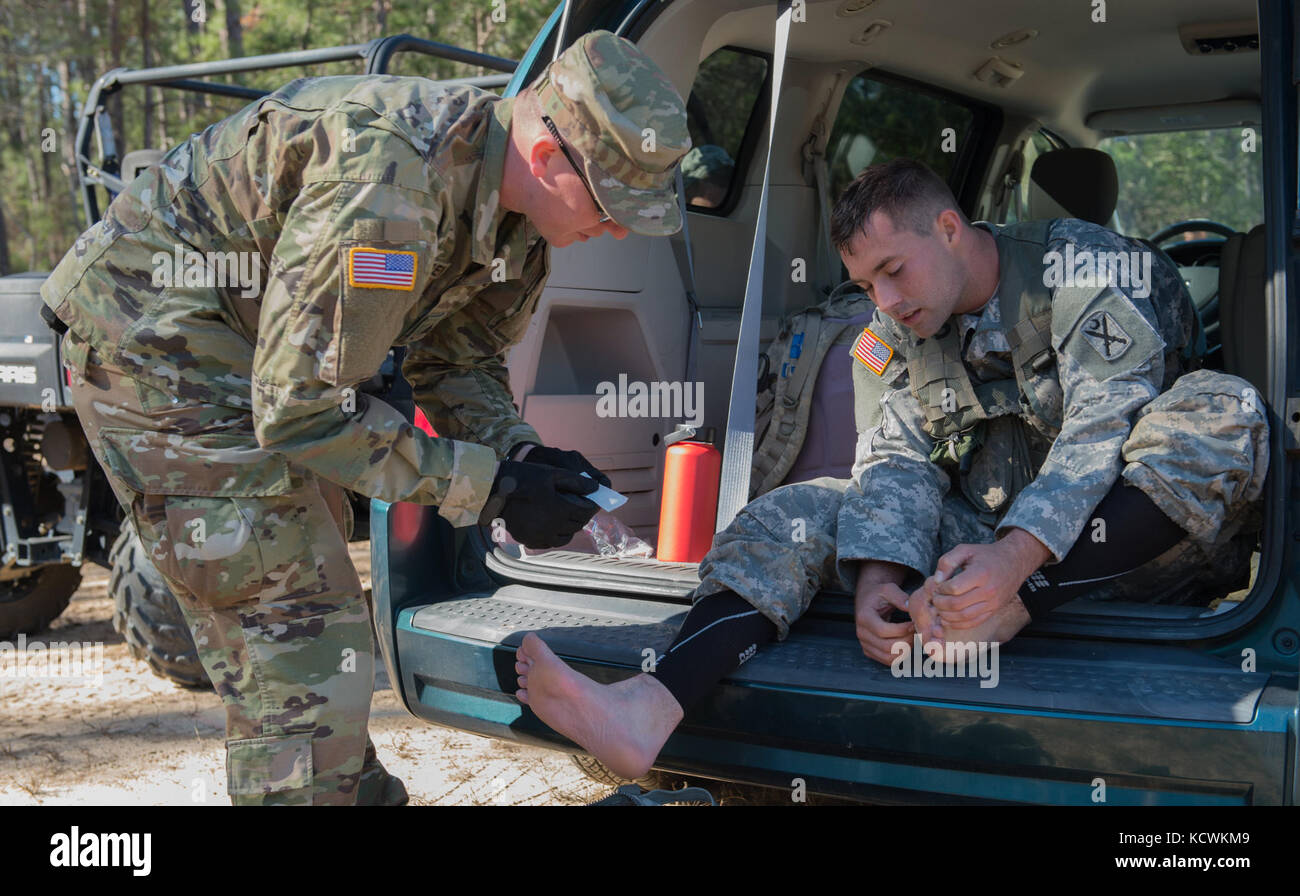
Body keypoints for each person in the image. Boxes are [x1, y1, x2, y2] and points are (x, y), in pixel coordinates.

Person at [41, 31, 690, 805]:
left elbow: (459, 362)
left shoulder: (522, 223)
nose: (617, 231)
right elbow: (301, 409)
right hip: (156, 350)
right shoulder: (389, 189)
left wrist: (523, 458)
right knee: (297, 636)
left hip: (257, 361)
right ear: (550, 158)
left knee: (317, 629)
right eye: (613, 206)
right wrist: (490, 489)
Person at [514, 158, 1268, 781]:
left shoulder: (1081, 273)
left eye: (894, 271)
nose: (885, 300)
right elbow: (893, 456)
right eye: (868, 282)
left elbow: (1100, 436)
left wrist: (1015, 573)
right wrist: (878, 578)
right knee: (799, 508)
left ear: (949, 229)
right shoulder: (894, 327)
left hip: (1135, 546)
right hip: (982, 549)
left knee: (1224, 408)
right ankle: (651, 705)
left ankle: (1018, 606)